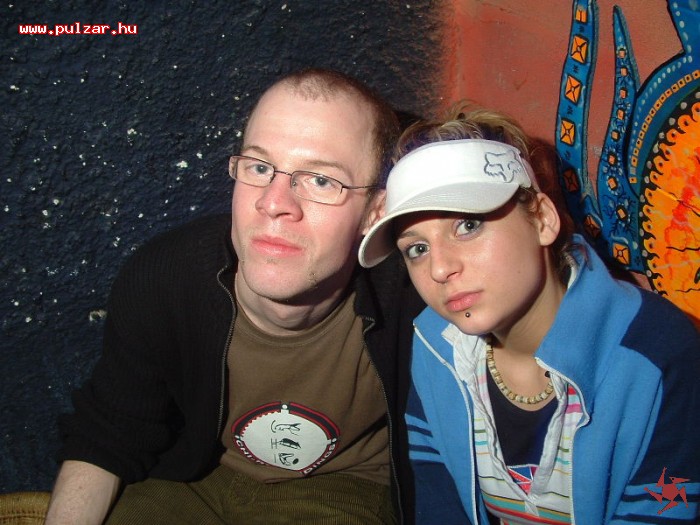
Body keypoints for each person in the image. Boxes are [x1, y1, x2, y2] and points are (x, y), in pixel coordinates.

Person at [45, 68, 424, 525]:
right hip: (192, 475)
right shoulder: (165, 278)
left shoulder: (415, 296)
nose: (274, 202)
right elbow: (109, 433)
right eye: (260, 168)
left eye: (321, 180)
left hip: (344, 486)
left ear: (375, 212)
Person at [358, 104, 700, 524]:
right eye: (417, 248)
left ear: (542, 219)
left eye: (468, 225)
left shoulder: (658, 355)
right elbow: (437, 492)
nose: (440, 269)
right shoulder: (434, 344)